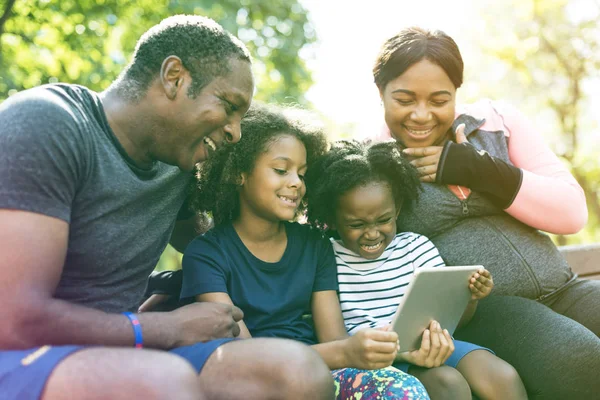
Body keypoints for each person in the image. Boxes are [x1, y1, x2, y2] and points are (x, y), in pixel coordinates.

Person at [0, 15, 335, 400]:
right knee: (162, 383)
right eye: (229, 106)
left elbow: (210, 246)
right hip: (21, 352)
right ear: (174, 77)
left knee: (296, 372)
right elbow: (14, 319)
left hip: (124, 347)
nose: (235, 132)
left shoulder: (175, 167)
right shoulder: (49, 124)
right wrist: (163, 327)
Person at [369, 26, 600, 398]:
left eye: (439, 100)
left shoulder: (497, 124)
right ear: (381, 93)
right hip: (486, 310)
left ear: (456, 94)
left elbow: (572, 214)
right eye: (405, 99)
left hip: (566, 286)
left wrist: (478, 169)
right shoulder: (374, 165)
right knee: (580, 359)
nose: (421, 114)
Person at [179, 103, 430, 399]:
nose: (296, 182)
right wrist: (343, 351)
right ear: (239, 173)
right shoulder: (207, 254)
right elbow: (244, 357)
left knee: (401, 388)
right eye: (281, 170)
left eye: (302, 173)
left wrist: (363, 351)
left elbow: (334, 339)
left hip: (321, 373)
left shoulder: (315, 244)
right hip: (254, 383)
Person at [304, 139, 527, 399]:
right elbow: (335, 344)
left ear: (397, 208)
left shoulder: (415, 247)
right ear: (332, 218)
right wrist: (402, 352)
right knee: (447, 383)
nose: (373, 233)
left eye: (384, 220)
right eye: (357, 224)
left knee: (502, 376)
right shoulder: (326, 258)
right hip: (373, 360)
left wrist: (470, 297)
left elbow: (453, 318)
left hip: (431, 344)